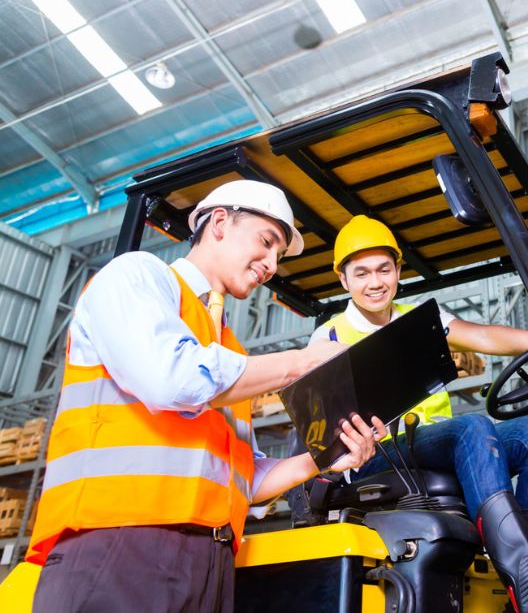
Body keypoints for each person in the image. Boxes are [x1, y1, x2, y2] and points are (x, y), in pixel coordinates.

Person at [26, 180, 386, 613]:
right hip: (121, 545)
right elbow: (170, 380)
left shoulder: (230, 353)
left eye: (278, 256)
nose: (272, 264)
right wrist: (301, 363)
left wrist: (326, 458)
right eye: (267, 242)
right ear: (219, 222)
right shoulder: (136, 277)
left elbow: (245, 479)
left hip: (211, 559)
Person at [309, 215, 528, 613]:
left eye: (384, 269)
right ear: (344, 279)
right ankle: (526, 580)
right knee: (473, 427)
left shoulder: (419, 319)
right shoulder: (328, 337)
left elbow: (483, 336)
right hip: (372, 454)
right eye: (361, 273)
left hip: (432, 443)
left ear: (398, 270)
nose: (375, 282)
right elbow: (320, 422)